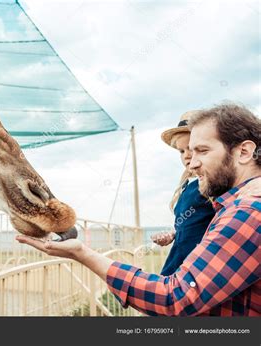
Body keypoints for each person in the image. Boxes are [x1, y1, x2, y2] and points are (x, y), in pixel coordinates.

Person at [17, 103, 260, 316]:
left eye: (202, 151)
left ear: (244, 151)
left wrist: (82, 253)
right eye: (186, 151)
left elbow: (173, 298)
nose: (192, 162)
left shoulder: (247, 211)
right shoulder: (229, 204)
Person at [153, 111, 261, 276]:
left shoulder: (217, 185)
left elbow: (224, 220)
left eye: (197, 149)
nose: (188, 157)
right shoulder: (188, 185)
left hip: (201, 266)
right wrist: (175, 234)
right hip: (180, 259)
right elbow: (196, 222)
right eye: (182, 151)